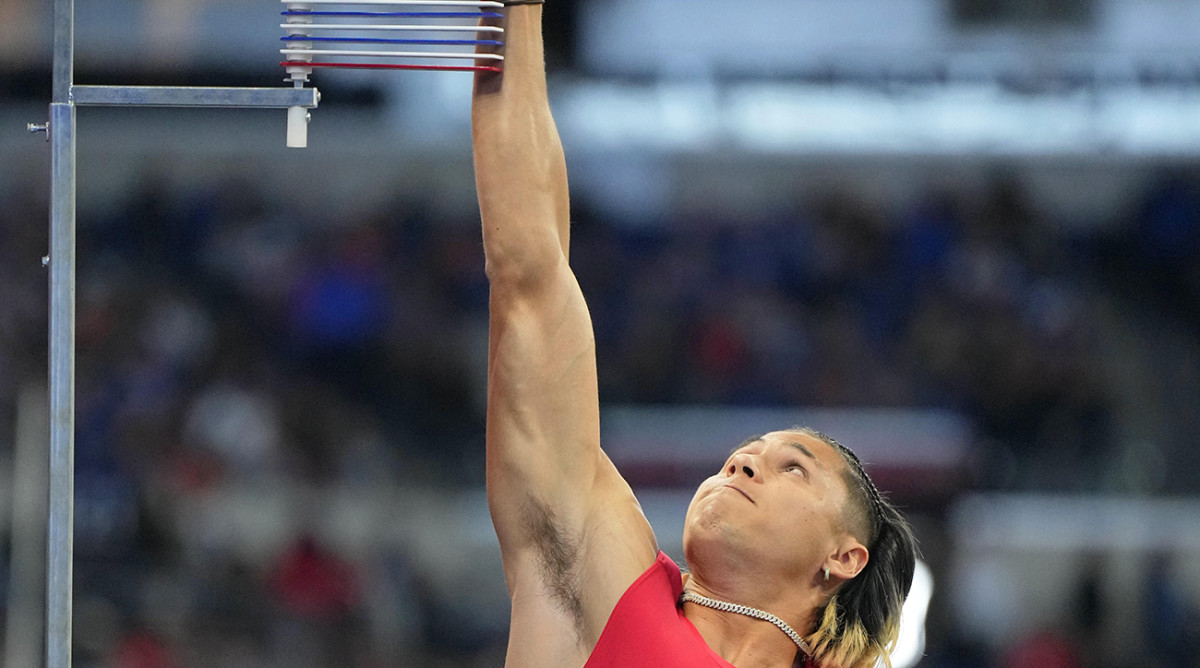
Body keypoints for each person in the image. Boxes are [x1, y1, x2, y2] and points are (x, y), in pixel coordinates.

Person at [471, 4, 917, 667]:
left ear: (844, 555)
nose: (739, 463)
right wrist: (520, 12)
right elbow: (530, 280)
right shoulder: (603, 581)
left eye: (791, 468)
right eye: (748, 455)